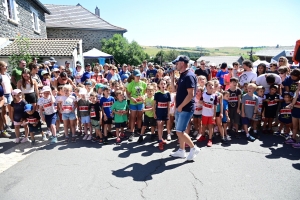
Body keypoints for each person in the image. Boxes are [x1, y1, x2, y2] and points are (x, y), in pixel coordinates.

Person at [170, 55, 200, 160]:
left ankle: (193, 148)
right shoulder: (182, 75)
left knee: (179, 131)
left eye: (177, 63)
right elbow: (173, 90)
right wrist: (172, 77)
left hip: (185, 108)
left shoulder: (189, 76)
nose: (175, 65)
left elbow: (191, 94)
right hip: (180, 107)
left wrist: (181, 106)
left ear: (182, 63)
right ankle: (181, 151)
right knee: (179, 130)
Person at [126, 69, 147, 141]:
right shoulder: (130, 84)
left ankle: (139, 130)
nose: (138, 77)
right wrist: (132, 99)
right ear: (133, 76)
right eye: (137, 76)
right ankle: (132, 132)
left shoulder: (143, 83)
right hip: (133, 103)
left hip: (140, 103)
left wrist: (143, 97)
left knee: (140, 117)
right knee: (132, 117)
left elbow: (145, 93)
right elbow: (128, 94)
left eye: (139, 76)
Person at [153, 79, 171, 150]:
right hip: (159, 112)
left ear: (166, 85)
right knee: (159, 125)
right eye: (161, 84)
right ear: (159, 85)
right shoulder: (157, 94)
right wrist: (154, 112)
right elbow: (154, 104)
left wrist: (168, 114)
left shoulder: (168, 93)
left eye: (164, 84)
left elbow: (168, 105)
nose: (163, 85)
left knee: (162, 125)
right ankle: (160, 141)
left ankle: (161, 138)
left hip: (165, 112)